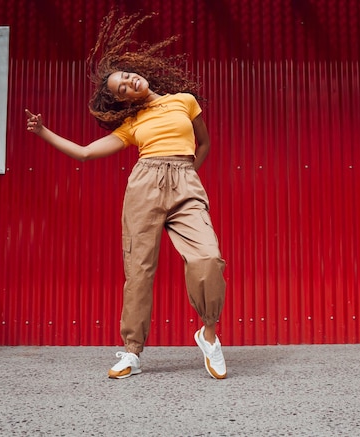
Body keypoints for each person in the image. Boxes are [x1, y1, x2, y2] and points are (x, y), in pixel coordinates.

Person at [25, 10, 227, 379]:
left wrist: (188, 176)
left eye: (127, 76)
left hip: (185, 180)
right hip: (144, 185)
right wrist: (43, 133)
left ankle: (208, 333)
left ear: (137, 70)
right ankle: (132, 351)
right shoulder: (133, 124)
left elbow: (205, 142)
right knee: (139, 271)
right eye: (122, 88)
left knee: (208, 259)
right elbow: (86, 153)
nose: (130, 82)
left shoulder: (184, 100)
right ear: (126, 101)